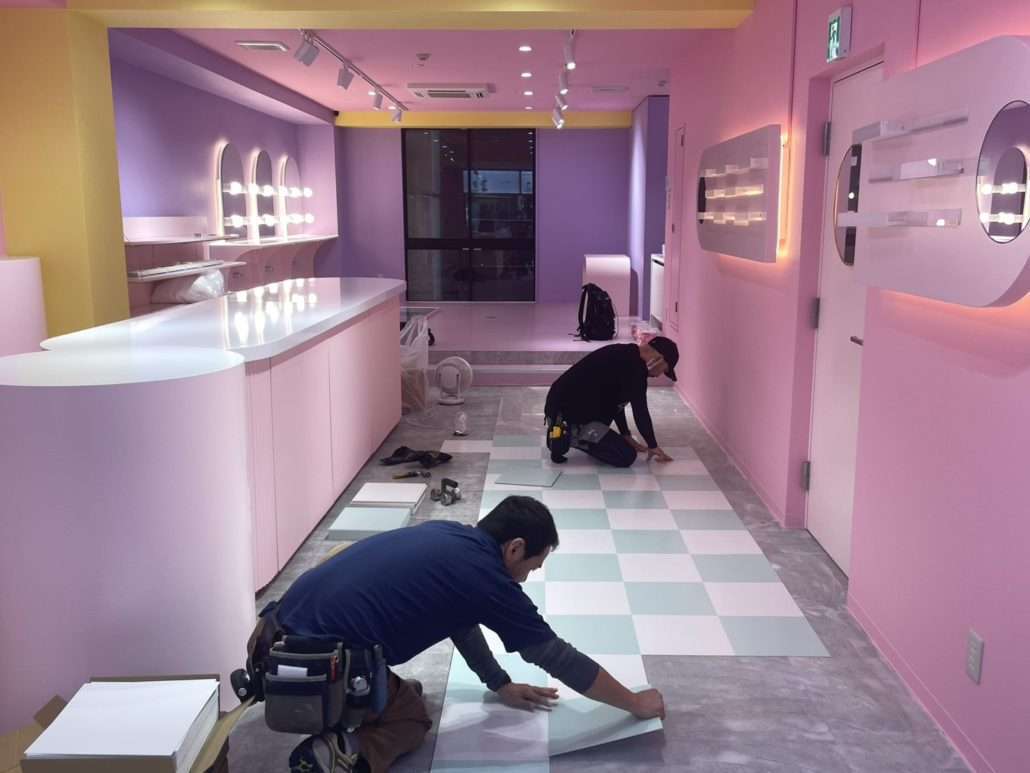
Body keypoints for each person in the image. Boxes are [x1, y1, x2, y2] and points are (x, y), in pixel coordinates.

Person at [271, 496, 666, 773]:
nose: (530, 575)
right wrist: (634, 703)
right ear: (515, 548)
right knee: (412, 720)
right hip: (310, 666)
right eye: (534, 565)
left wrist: (499, 683)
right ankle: (337, 753)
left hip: (273, 633)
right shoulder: (487, 580)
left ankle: (374, 697)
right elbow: (555, 656)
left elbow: (459, 620)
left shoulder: (452, 536)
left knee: (405, 691)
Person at [545, 336, 680, 467]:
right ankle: (567, 435)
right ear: (658, 360)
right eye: (664, 370)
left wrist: (625, 434)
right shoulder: (636, 370)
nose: (658, 375)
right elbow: (641, 411)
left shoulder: (625, 353)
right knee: (625, 456)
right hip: (565, 414)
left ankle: (567, 431)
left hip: (557, 406)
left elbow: (615, 402)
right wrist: (653, 445)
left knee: (608, 427)